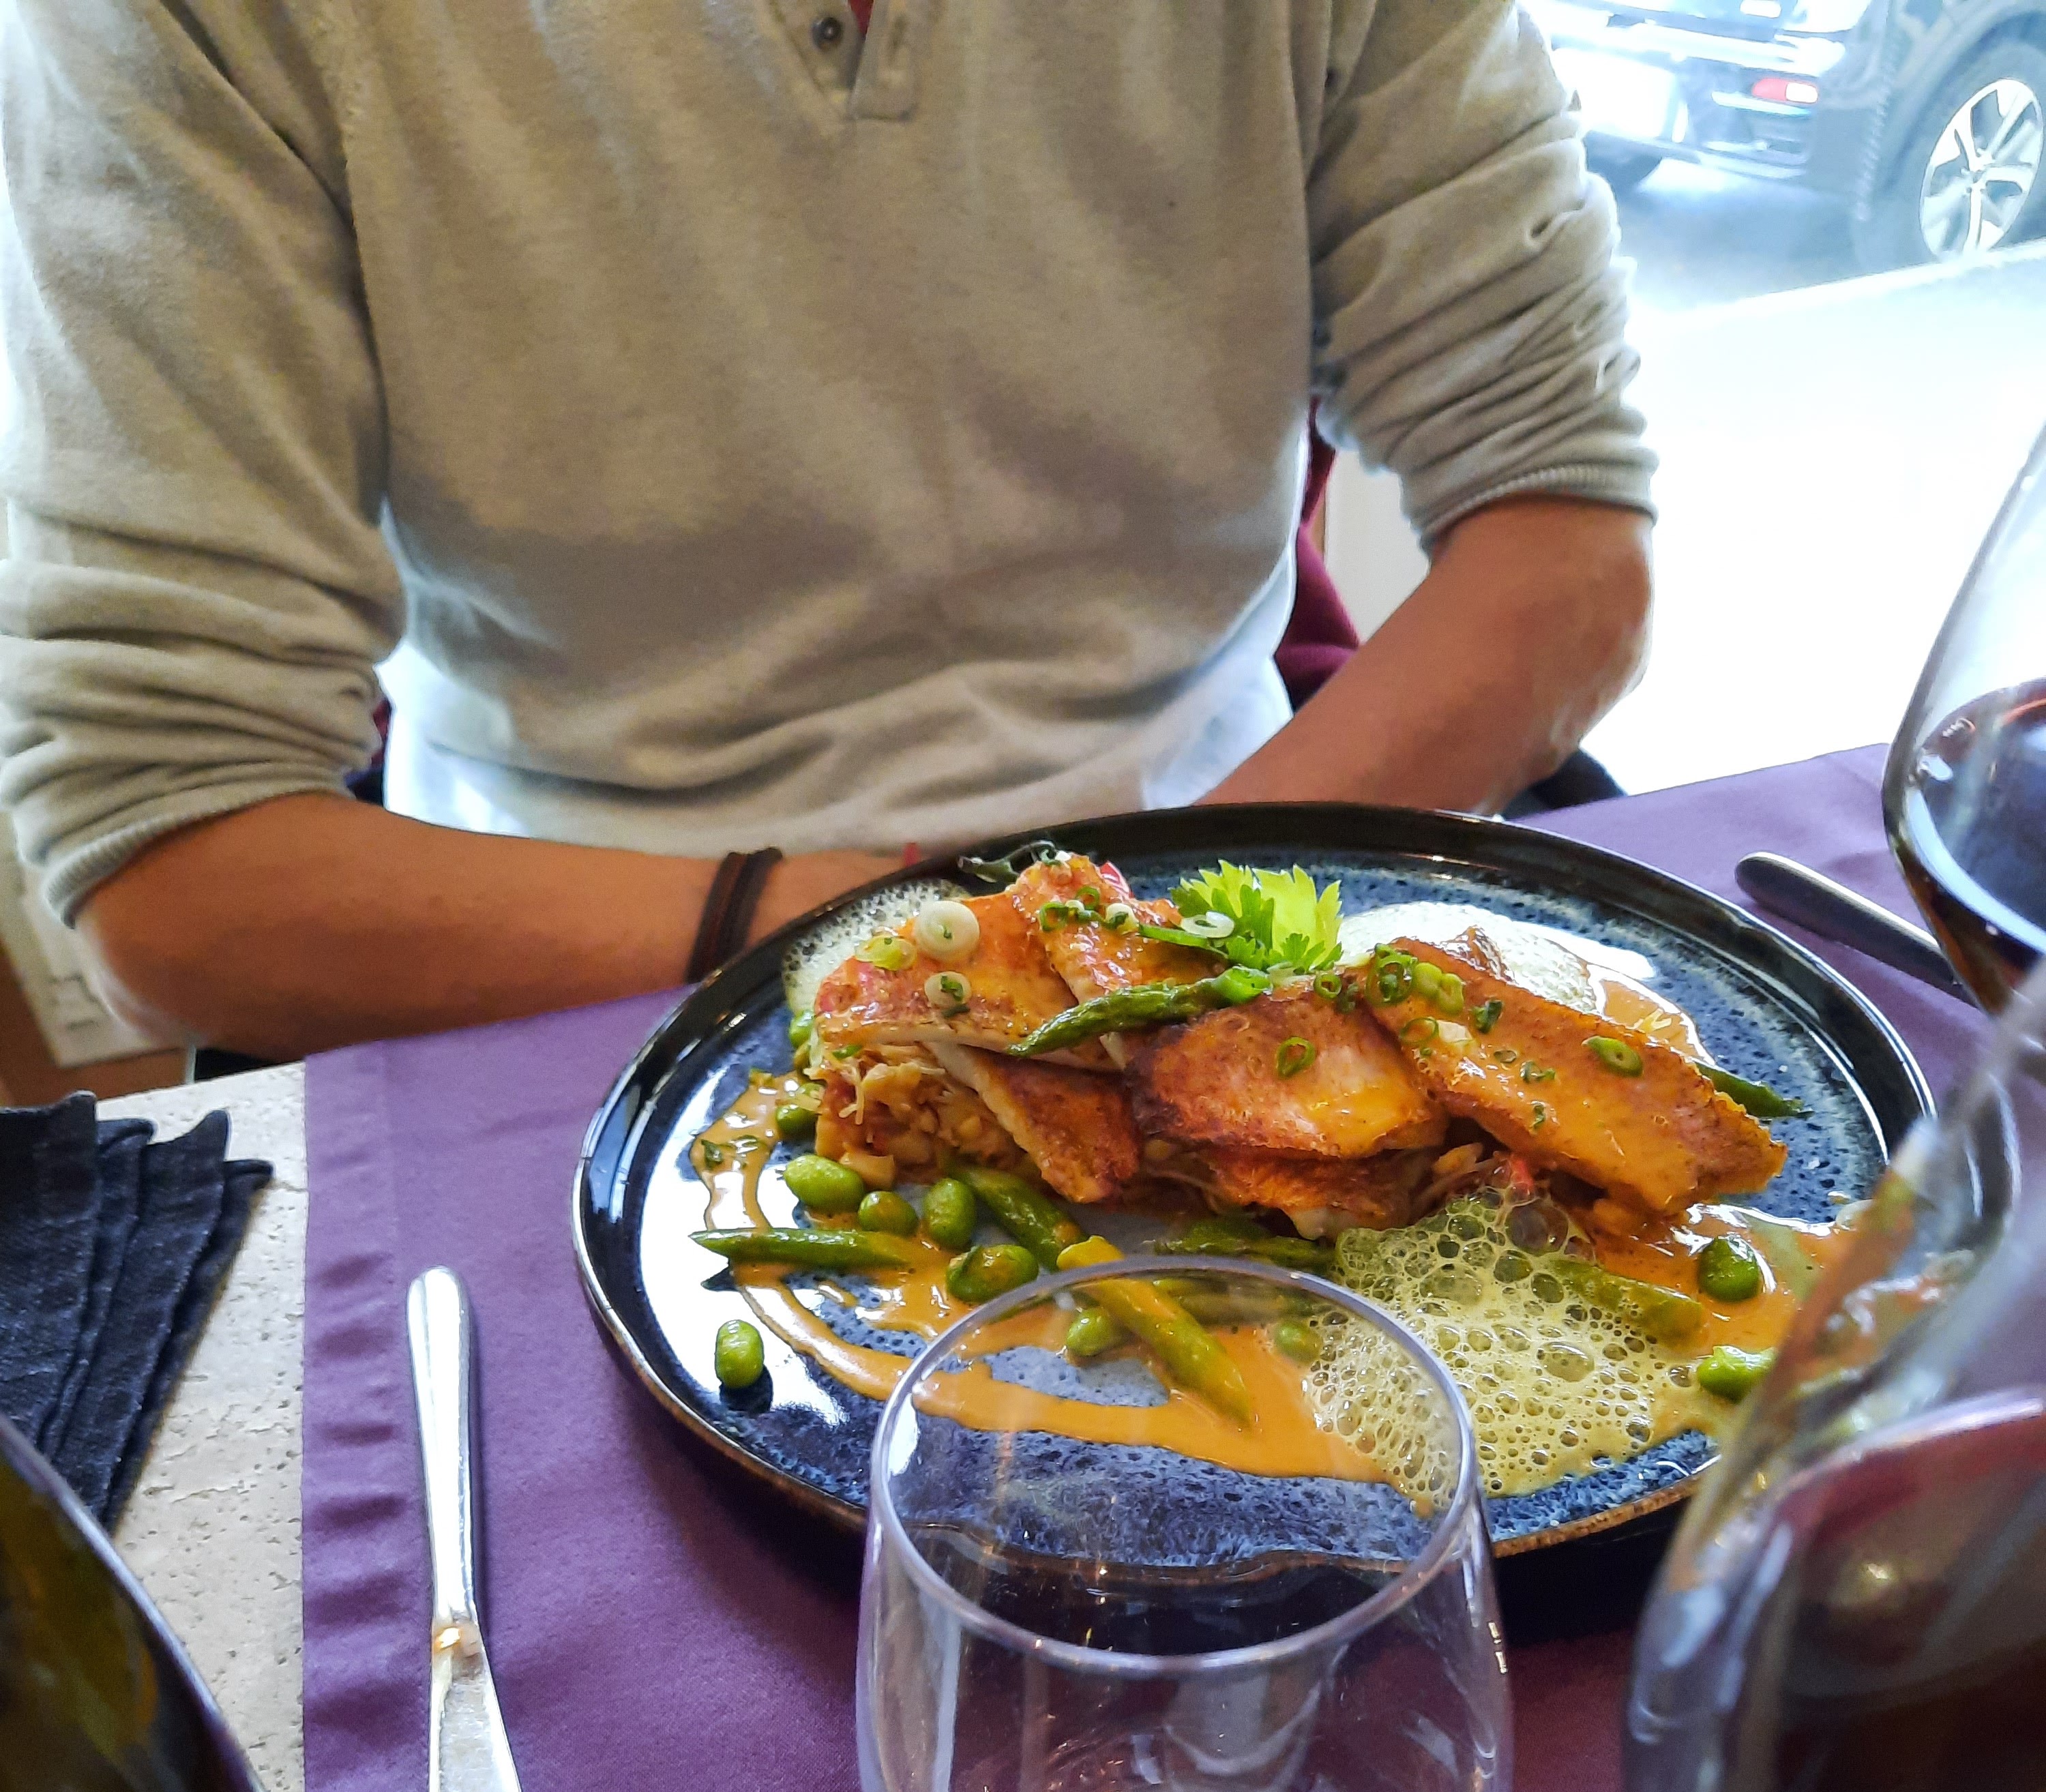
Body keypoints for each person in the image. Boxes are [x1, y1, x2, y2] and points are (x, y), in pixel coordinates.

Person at [0, 0, 1655, 1062]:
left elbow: (1565, 530)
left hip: (1226, 900)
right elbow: (165, 861)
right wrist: (931, 951)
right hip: (571, 978)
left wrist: (1148, 946)